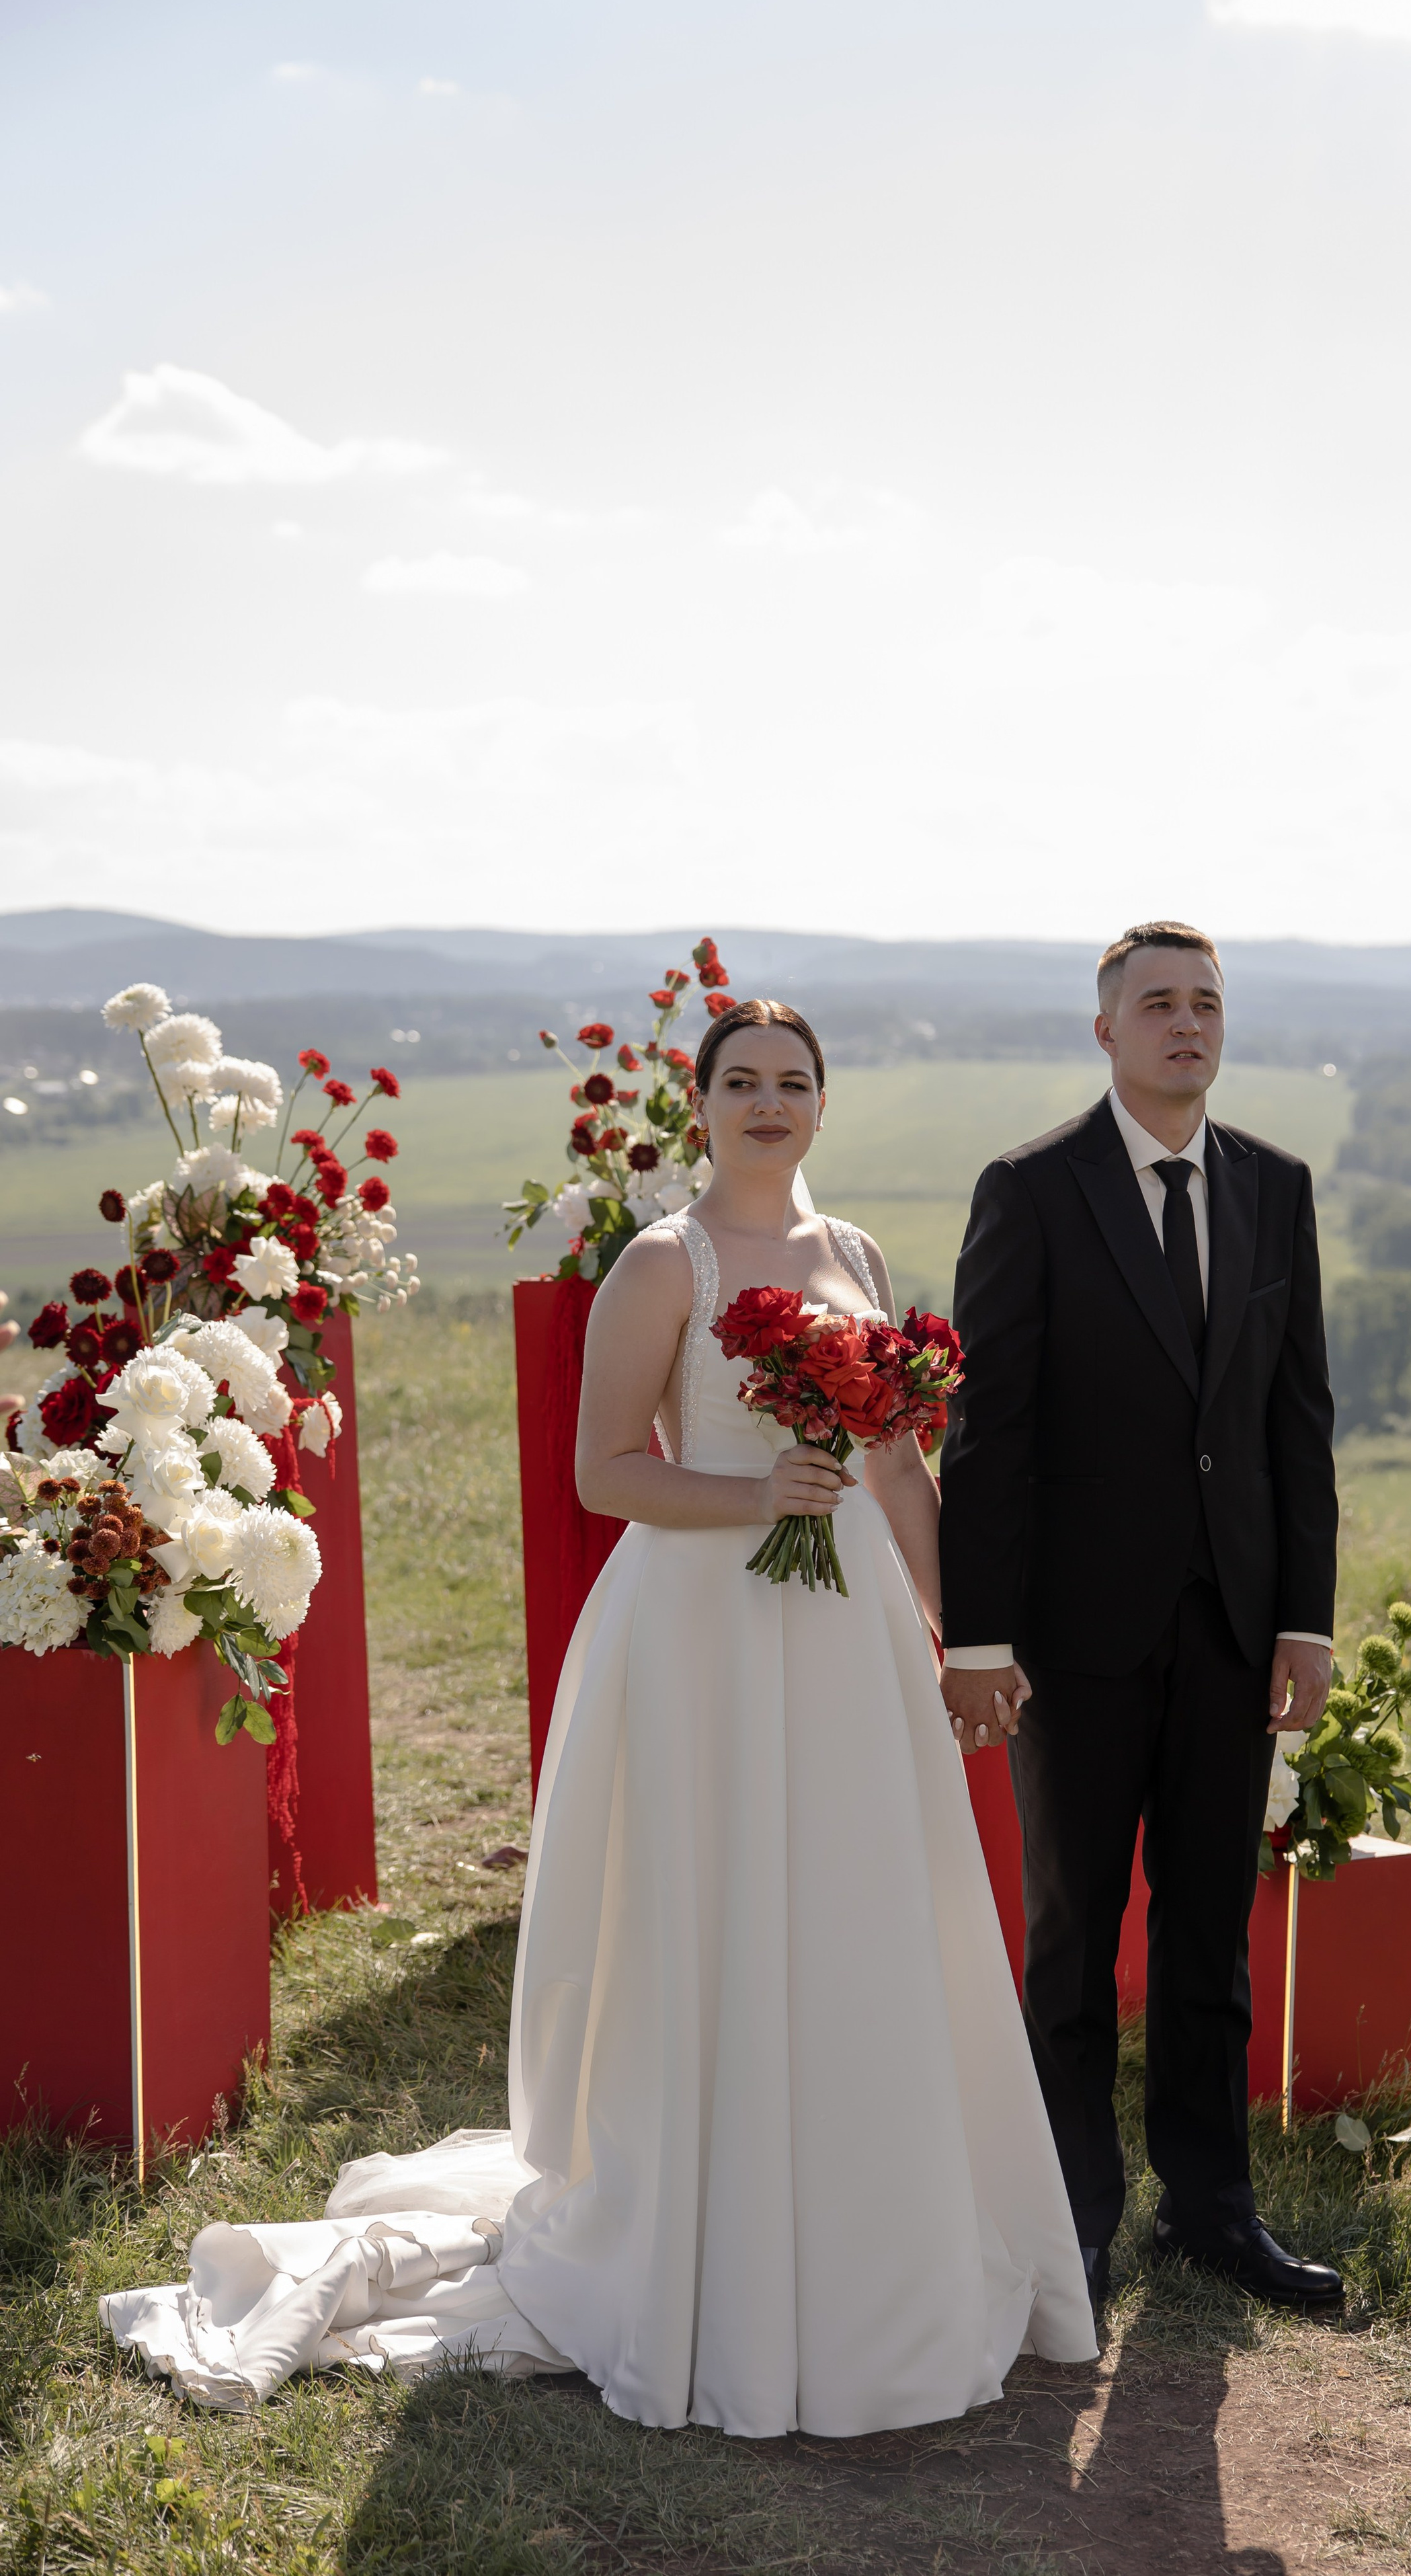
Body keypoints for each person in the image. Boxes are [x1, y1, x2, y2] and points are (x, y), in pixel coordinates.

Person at [105, 997, 1096, 2427]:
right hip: (702, 1628)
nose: (768, 1103)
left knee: (859, 1905)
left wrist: (955, 1639)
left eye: (792, 1082)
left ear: (825, 1105)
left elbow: (896, 1474)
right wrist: (759, 1491)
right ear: (700, 1108)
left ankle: (868, 2227)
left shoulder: (860, 1255)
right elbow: (604, 1471)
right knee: (714, 1909)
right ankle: (706, 2219)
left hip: (849, 1632)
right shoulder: (663, 1261)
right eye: (741, 1081)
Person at [937, 923, 1344, 2314]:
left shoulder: (1274, 1188)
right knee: (1071, 1932)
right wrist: (978, 1639)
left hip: (1232, 1622)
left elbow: (1297, 1422)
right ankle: (1075, 2213)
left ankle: (1211, 2209)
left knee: (1210, 1928)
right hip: (1074, 1631)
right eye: (1155, 1003)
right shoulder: (1031, 1189)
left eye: (1205, 1003)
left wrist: (1306, 1617)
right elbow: (985, 1435)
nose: (1185, 1023)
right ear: (1102, 1030)